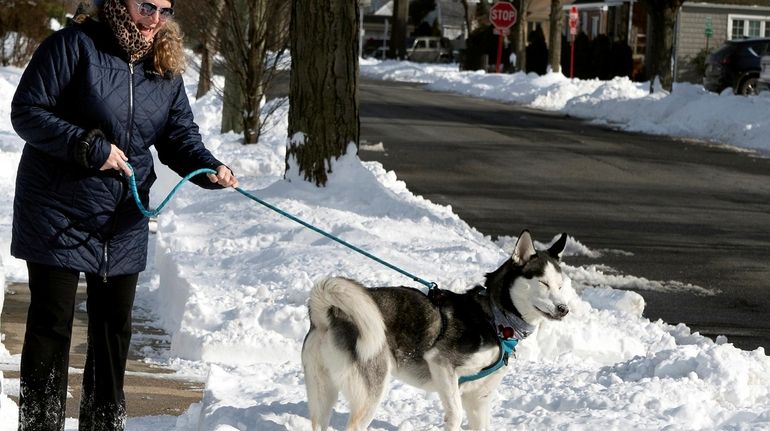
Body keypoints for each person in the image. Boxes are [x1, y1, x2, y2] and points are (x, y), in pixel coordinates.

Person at [10, 0, 238, 428]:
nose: (155, 19)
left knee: (113, 332)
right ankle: (39, 423)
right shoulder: (73, 46)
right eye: (146, 6)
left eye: (165, 10)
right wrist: (89, 147)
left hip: (122, 218)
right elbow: (27, 112)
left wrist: (209, 168)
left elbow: (178, 135)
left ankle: (103, 424)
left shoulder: (164, 63)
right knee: (52, 327)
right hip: (57, 209)